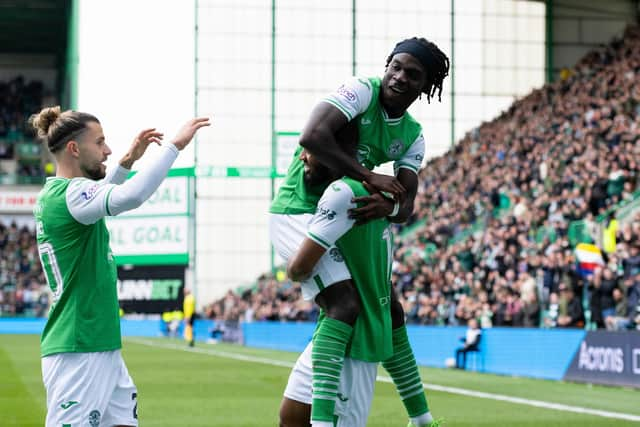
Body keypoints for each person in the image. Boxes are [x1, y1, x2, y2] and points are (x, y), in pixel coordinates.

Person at [270, 36, 449, 426]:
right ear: (386, 65)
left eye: (413, 74)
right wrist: (372, 177)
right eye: (396, 66)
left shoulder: (412, 135)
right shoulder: (359, 91)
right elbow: (311, 137)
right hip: (299, 213)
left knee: (386, 306)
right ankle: (409, 418)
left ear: (426, 87)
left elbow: (406, 204)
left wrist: (390, 204)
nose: (399, 77)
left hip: (345, 215)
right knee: (350, 304)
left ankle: (420, 419)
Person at [31, 106, 209, 427]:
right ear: (74, 148)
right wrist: (174, 147)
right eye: (100, 143)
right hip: (79, 349)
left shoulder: (59, 195)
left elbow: (98, 197)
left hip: (99, 344)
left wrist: (127, 162)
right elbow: (130, 197)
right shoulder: (69, 196)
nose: (107, 151)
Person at [280, 146, 435, 427]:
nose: (301, 157)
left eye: (309, 150)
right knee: (291, 417)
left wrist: (290, 265)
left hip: (352, 343)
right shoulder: (375, 194)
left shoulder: (344, 194)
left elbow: (299, 268)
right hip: (332, 336)